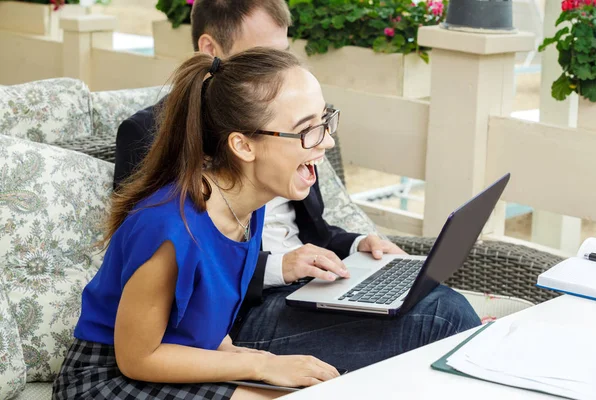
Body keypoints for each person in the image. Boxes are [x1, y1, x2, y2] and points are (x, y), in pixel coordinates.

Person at [113, 0, 481, 374]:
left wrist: (357, 246)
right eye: (263, 55)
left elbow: (311, 230)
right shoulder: (164, 161)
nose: (279, 69)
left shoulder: (275, 169)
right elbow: (165, 271)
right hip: (240, 311)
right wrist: (279, 271)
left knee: (434, 301)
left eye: (283, 53)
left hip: (289, 295)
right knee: (441, 317)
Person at [53, 49, 342, 400]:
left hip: (174, 361)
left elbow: (202, 321)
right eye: (307, 130)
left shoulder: (249, 208)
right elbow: (137, 358)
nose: (326, 140)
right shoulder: (169, 228)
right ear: (243, 145)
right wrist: (261, 367)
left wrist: (257, 359)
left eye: (325, 121)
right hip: (105, 378)